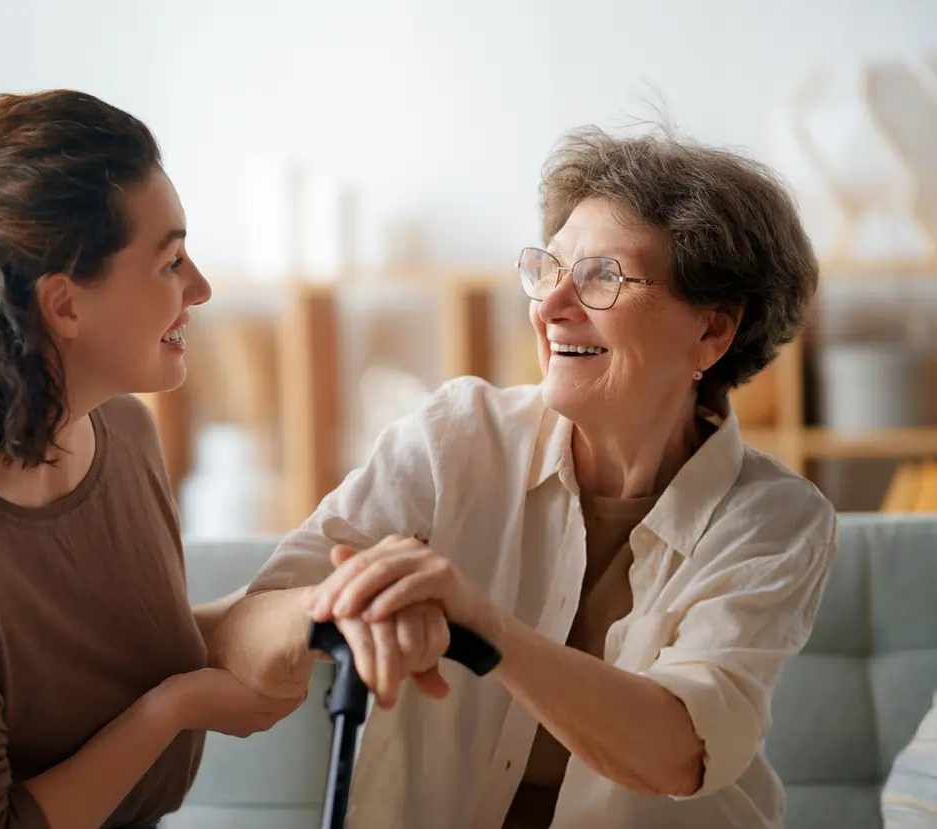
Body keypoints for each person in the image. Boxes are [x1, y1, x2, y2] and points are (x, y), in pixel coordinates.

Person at [208, 125, 838, 829]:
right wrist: (347, 601)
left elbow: (679, 750)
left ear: (712, 333)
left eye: (603, 275)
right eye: (549, 268)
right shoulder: (457, 438)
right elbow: (239, 633)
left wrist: (482, 626)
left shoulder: (776, 520)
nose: (551, 305)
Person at [0, 89, 302, 829]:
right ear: (65, 305)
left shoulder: (124, 431)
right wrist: (178, 708)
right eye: (170, 260)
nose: (200, 288)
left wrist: (313, 605)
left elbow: (129, 651)